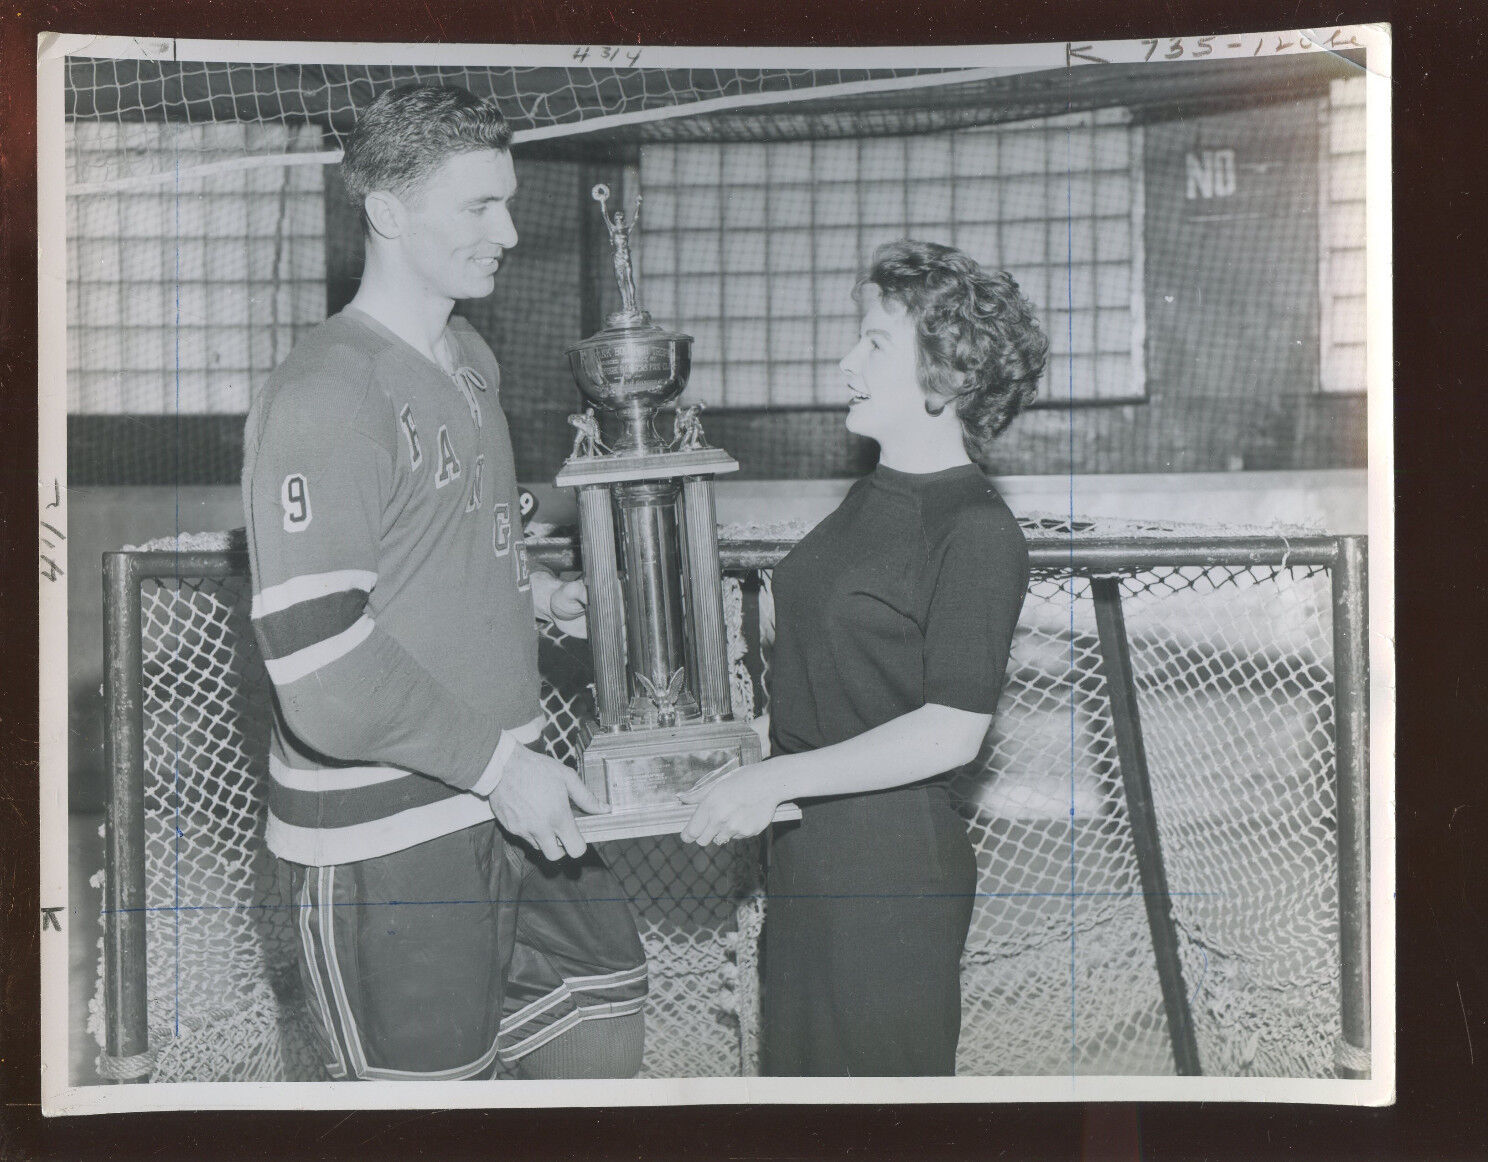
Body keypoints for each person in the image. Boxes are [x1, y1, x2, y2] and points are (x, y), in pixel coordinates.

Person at [242, 84, 647, 1082]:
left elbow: (456, 541)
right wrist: (500, 771)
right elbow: (322, 666)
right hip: (392, 834)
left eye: (506, 201)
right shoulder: (326, 391)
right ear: (386, 211)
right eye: (478, 206)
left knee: (603, 1039)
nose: (509, 230)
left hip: (505, 796)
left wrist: (547, 599)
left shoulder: (469, 357)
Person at [680, 240, 1048, 1076]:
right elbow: (837, 682)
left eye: (875, 342)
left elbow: (951, 731)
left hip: (889, 872)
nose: (847, 361)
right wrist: (740, 752)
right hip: (811, 851)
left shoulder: (977, 529)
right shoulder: (871, 497)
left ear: (948, 373)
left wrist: (772, 778)